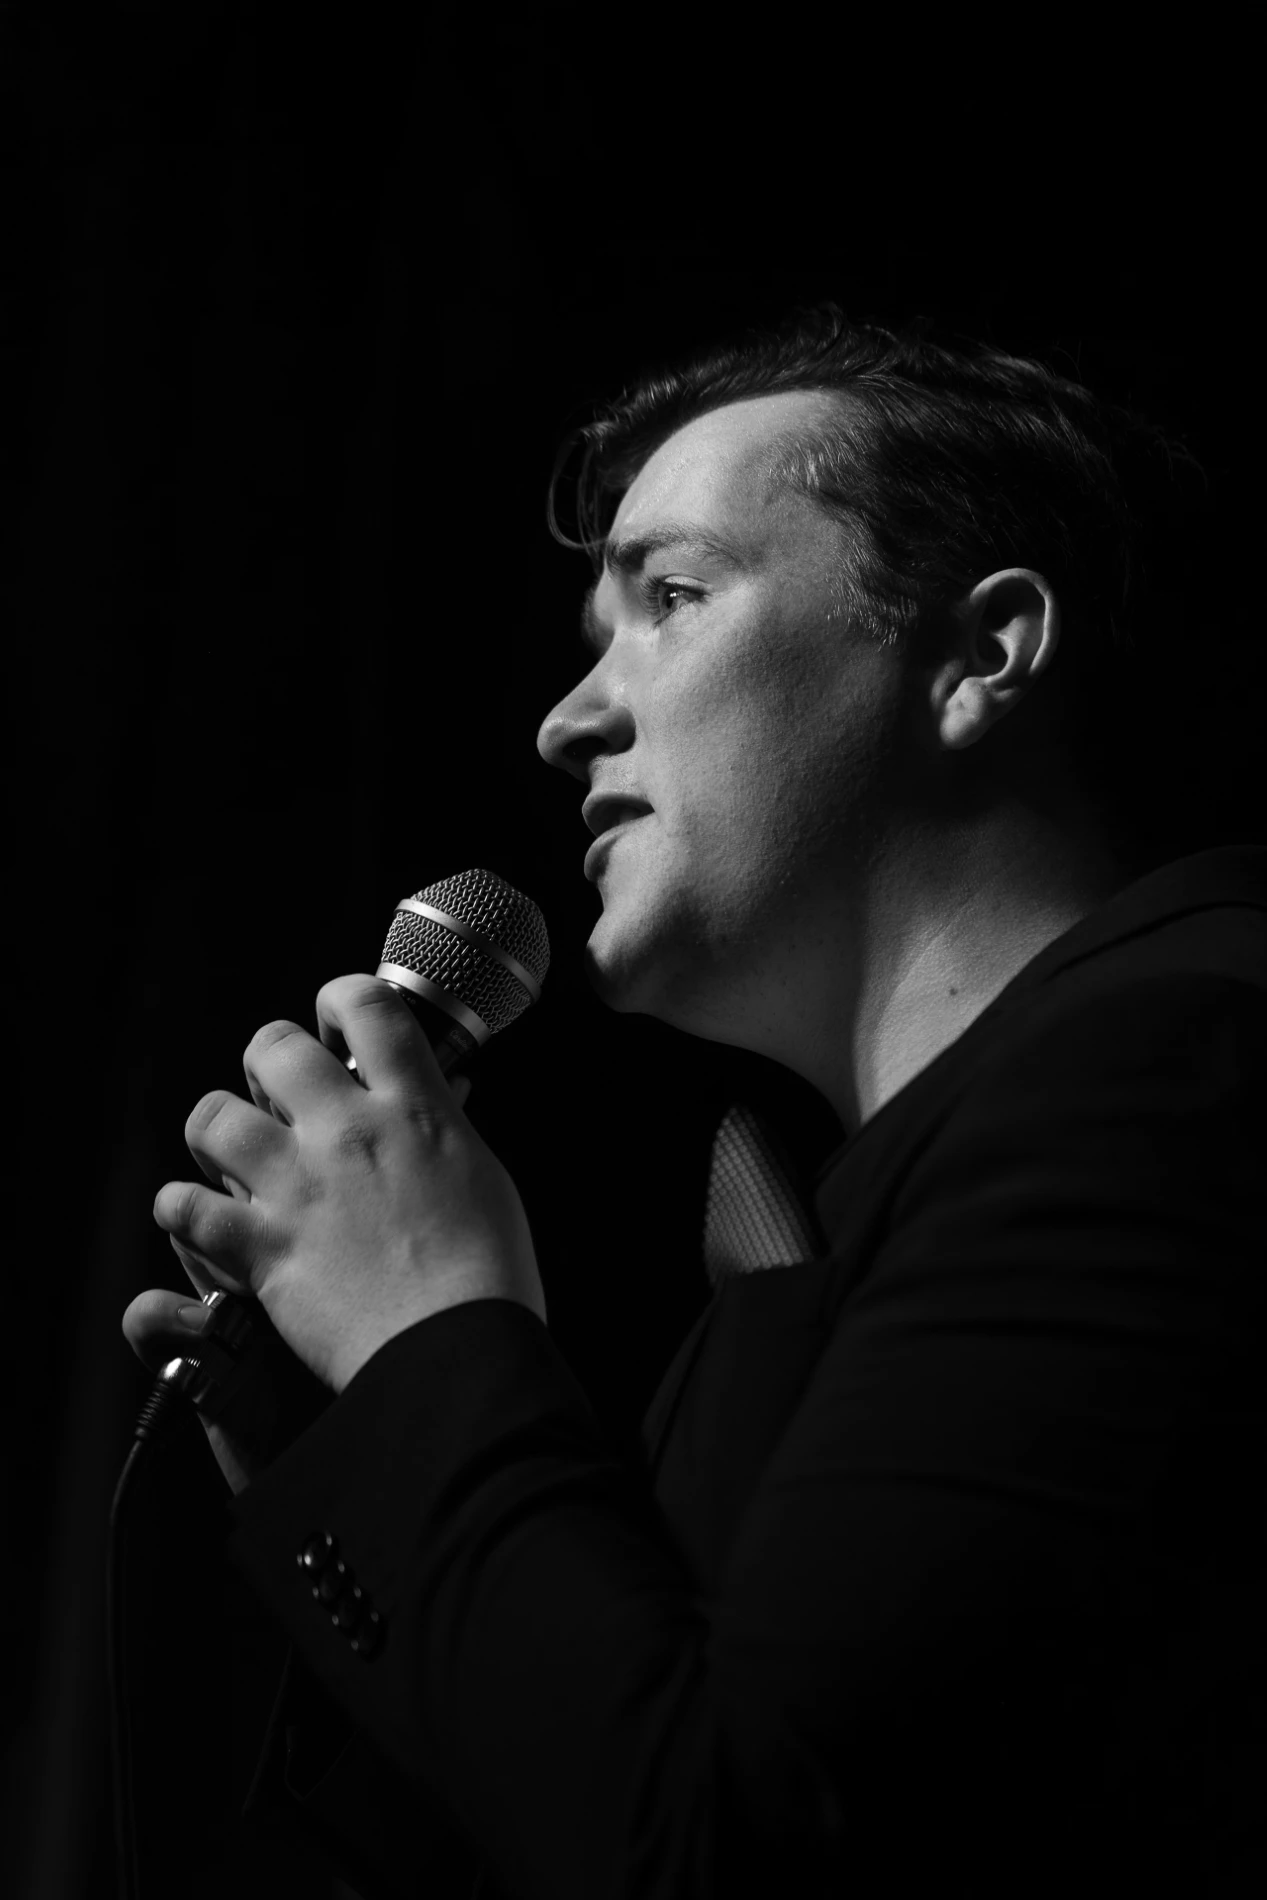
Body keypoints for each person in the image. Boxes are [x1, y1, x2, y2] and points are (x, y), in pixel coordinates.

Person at [123, 308, 1267, 1899]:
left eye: (670, 597)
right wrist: (380, 1447)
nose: (565, 719)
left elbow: (736, 1851)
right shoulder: (809, 1229)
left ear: (977, 655)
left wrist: (430, 1351)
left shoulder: (1174, 1074)